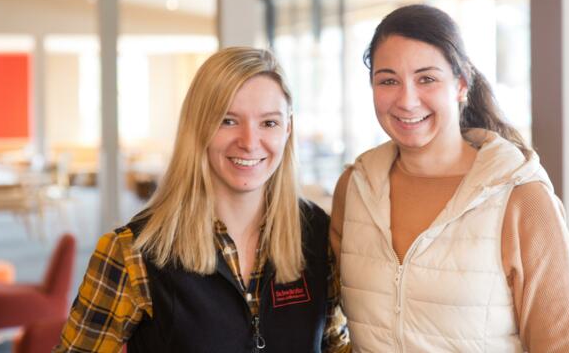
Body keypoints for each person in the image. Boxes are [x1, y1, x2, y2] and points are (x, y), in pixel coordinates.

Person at [55, 47, 349, 352]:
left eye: (269, 123)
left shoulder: (317, 233)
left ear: (288, 128)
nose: (249, 142)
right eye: (228, 121)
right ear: (198, 126)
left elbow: (335, 344)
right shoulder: (133, 252)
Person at [331, 4, 569, 352]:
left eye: (426, 79)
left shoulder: (521, 197)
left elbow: (561, 345)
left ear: (461, 83)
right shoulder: (355, 187)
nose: (407, 100)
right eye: (388, 80)